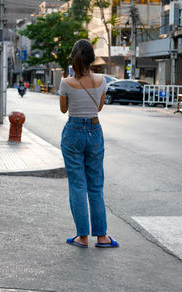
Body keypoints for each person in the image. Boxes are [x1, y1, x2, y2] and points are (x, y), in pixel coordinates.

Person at [59, 39, 119, 248]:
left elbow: (63, 110)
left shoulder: (66, 83)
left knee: (77, 185)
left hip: (73, 132)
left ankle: (82, 237)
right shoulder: (102, 80)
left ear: (74, 59)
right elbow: (99, 108)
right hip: (95, 131)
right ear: (92, 59)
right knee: (96, 186)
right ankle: (102, 236)